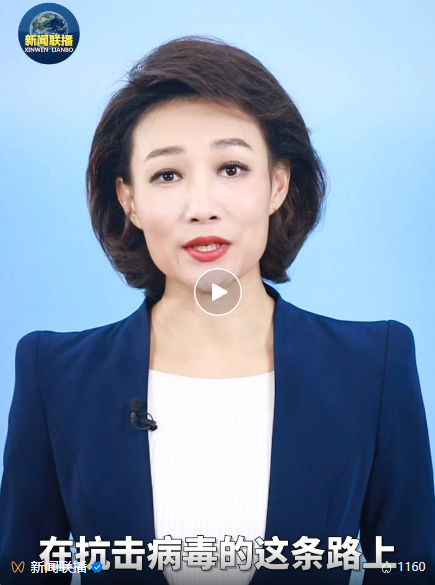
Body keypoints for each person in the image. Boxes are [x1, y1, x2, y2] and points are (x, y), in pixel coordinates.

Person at [0, 35, 434, 585]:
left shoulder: (375, 366)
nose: (202, 207)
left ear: (277, 184)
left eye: (231, 168)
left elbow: (411, 565)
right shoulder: (54, 374)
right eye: (167, 175)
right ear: (129, 199)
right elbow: (23, 567)